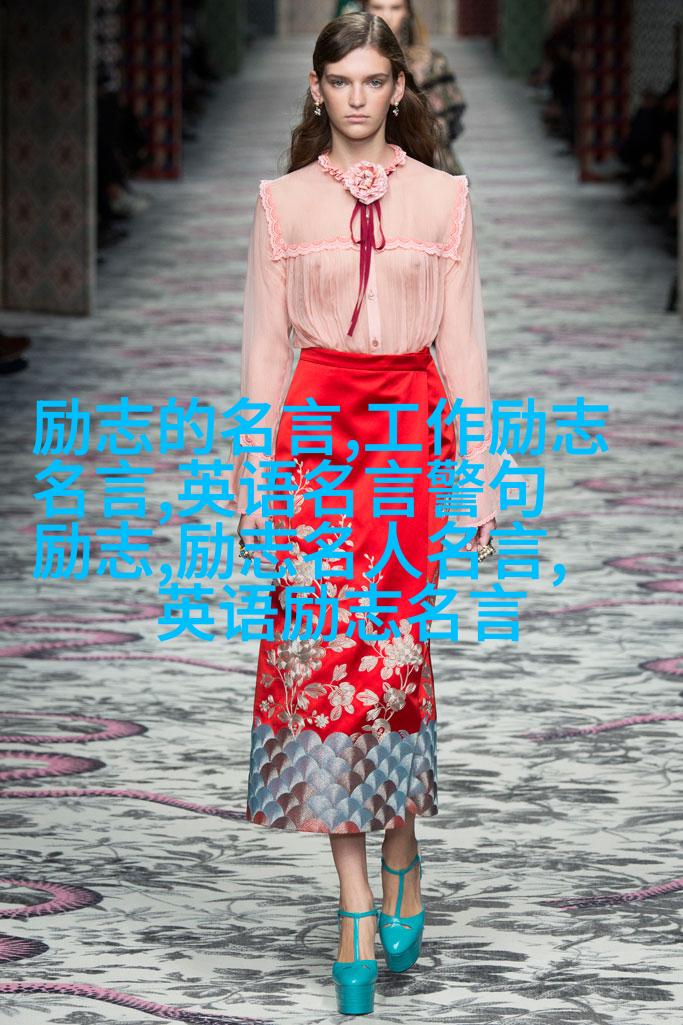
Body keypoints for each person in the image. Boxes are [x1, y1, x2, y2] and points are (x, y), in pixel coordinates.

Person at [228, 11, 512, 1015]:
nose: (355, 97)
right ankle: (355, 897)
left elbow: (464, 347)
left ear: (399, 88)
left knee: (387, 663)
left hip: (405, 440)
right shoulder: (280, 202)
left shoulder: (443, 198)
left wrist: (480, 477)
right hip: (312, 441)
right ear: (316, 89)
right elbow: (264, 352)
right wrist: (249, 485)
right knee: (318, 668)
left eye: (372, 80)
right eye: (338, 80)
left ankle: (400, 842)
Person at [360, 0, 468, 174]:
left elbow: (445, 124)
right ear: (364, 10)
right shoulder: (350, 62)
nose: (387, 16)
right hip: (364, 166)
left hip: (427, 163)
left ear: (407, 12)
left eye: (396, 8)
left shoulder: (429, 63)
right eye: (378, 7)